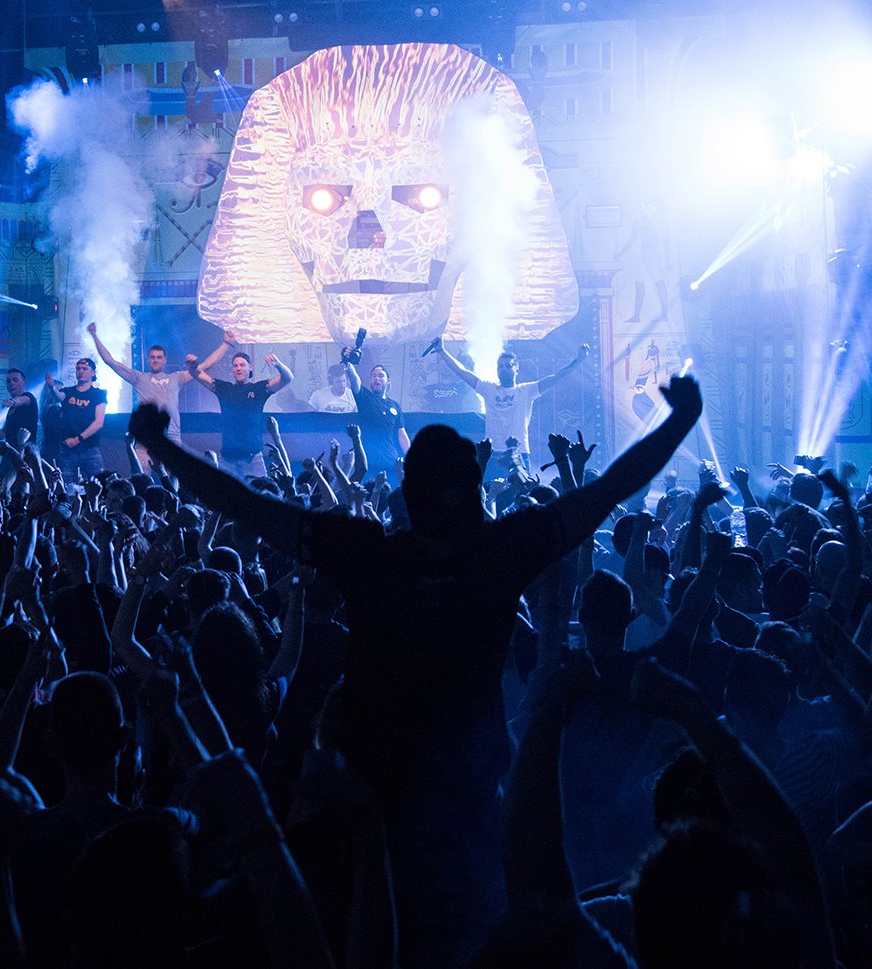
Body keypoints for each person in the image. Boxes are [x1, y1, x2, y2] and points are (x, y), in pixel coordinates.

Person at [128, 374, 704, 966]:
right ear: (472, 489)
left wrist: (162, 445)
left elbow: (246, 506)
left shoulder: (370, 556)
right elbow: (607, 491)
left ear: (408, 493)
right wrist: (680, 419)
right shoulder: (499, 555)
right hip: (468, 818)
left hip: (368, 812)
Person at [433, 340, 591, 478]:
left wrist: (578, 360)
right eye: (500, 366)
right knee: (488, 495)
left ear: (517, 369)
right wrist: (442, 351)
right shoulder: (488, 389)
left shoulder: (526, 390)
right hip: (493, 455)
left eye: (508, 366)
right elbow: (462, 372)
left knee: (522, 497)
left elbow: (556, 378)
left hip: (519, 453)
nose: (504, 369)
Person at [86, 321, 196, 473]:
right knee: (143, 481)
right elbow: (111, 362)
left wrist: (225, 344)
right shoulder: (139, 378)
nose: (155, 360)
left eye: (159, 357)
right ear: (148, 359)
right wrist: (94, 335)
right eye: (152, 357)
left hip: (171, 437)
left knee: (173, 482)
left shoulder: (176, 377)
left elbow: (201, 369)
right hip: (146, 439)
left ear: (164, 360)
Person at [194, 339, 293, 479]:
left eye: (242, 365)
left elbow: (288, 378)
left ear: (250, 368)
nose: (238, 368)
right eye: (235, 365)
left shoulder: (259, 389)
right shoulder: (225, 389)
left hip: (253, 458)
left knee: (259, 492)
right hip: (227, 458)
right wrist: (192, 366)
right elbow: (197, 374)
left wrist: (277, 364)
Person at [339, 350, 410, 477]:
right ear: (370, 380)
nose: (377, 378)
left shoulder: (395, 406)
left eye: (381, 375)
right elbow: (355, 380)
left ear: (388, 381)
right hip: (368, 463)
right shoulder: (364, 397)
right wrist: (348, 363)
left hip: (391, 463)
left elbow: (402, 436)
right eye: (373, 375)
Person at [44, 358, 108, 482]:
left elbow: (99, 422)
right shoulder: (68, 392)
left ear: (93, 373)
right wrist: (52, 386)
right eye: (78, 369)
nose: (81, 371)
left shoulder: (98, 394)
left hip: (90, 448)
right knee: (68, 485)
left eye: (85, 369)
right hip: (68, 449)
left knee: (98, 482)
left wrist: (78, 439)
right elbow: (59, 396)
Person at [0, 368, 40, 454]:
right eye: (8, 381)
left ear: (24, 383)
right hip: (11, 453)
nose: (11, 383)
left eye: (15, 380)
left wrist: (13, 401)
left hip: (26, 454)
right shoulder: (11, 409)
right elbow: (7, 432)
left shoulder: (29, 397)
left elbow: (22, 400)